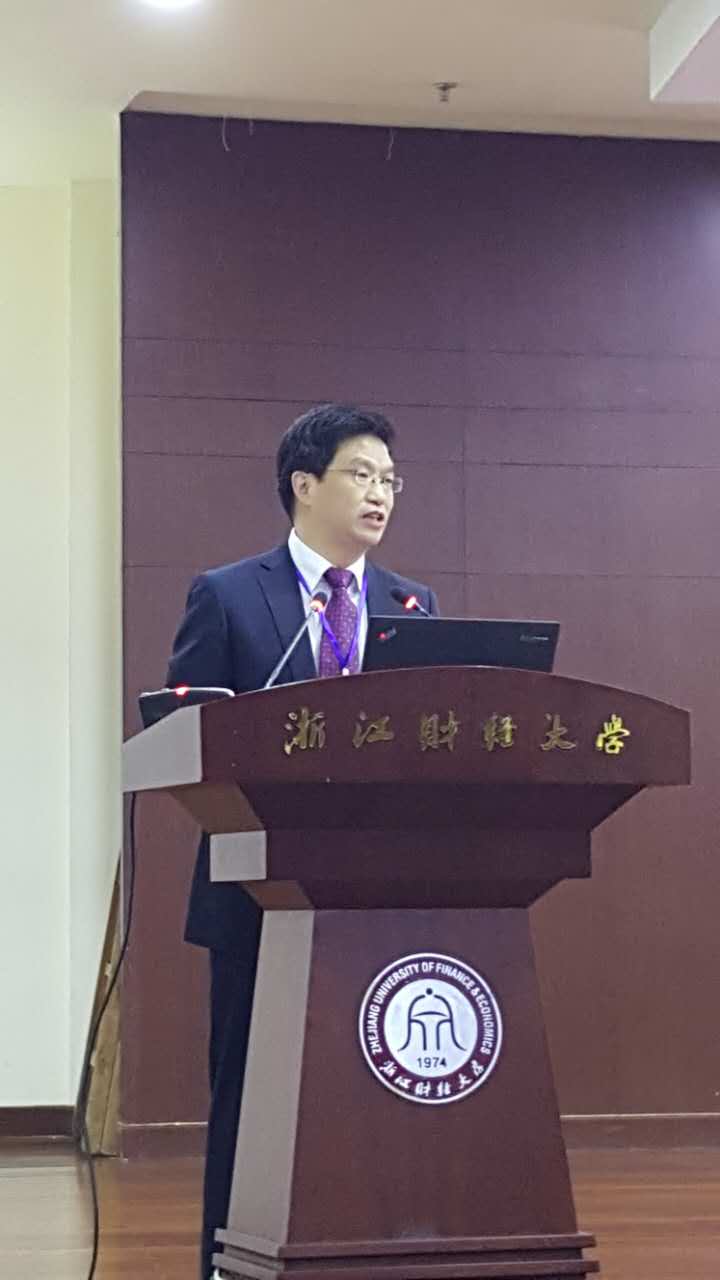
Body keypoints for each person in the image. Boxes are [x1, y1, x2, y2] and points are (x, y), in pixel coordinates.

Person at [165, 402, 439, 1279]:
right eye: (362, 474)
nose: (380, 493)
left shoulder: (411, 604)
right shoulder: (226, 595)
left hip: (377, 894)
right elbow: (183, 738)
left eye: (390, 479)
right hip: (257, 892)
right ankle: (226, 1263)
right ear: (304, 484)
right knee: (249, 1093)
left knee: (366, 1092)